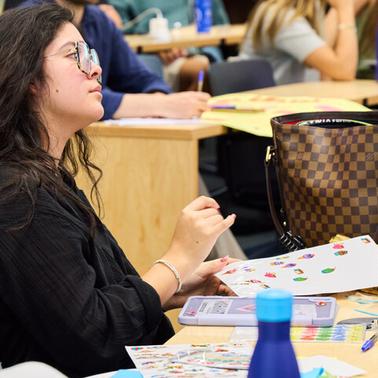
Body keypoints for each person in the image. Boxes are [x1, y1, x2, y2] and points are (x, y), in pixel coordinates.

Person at [0, 4, 236, 377]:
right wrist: (174, 262)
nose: (95, 69)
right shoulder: (17, 196)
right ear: (27, 77)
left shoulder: (46, 176)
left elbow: (86, 302)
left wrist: (174, 288)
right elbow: (96, 335)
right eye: (74, 55)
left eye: (89, 54)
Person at [20, 0, 210, 120]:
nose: (95, 70)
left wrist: (160, 98)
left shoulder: (99, 19)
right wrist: (161, 105)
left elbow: (139, 76)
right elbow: (69, 95)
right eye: (71, 54)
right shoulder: (31, 20)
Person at [107, 0, 230, 91]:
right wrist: (154, 48)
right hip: (148, 58)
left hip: (197, 52)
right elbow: (116, 36)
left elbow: (220, 29)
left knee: (212, 68)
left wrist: (206, 54)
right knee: (200, 68)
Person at [238, 0, 359, 85]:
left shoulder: (310, 10)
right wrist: (346, 9)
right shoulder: (281, 16)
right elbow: (344, 70)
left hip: (293, 104)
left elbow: (328, 67)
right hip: (273, 109)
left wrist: (339, 9)